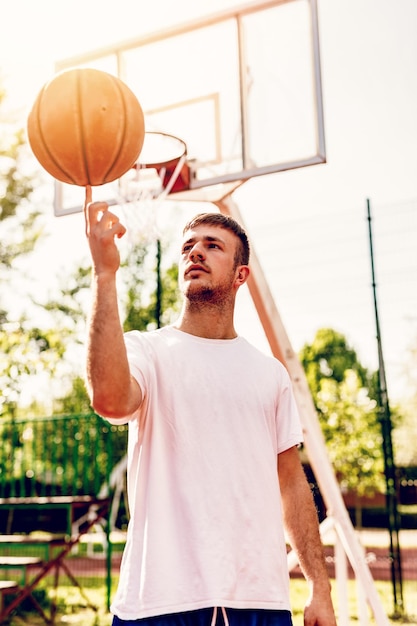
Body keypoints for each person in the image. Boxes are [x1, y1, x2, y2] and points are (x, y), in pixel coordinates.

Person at [83, 186, 337, 626]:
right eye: (188, 246)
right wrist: (105, 278)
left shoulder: (270, 374)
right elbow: (108, 399)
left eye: (212, 245)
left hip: (260, 601)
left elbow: (292, 483)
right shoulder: (148, 350)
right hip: (159, 602)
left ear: (240, 275)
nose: (195, 252)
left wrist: (319, 587)